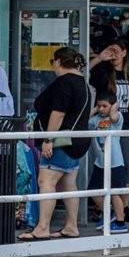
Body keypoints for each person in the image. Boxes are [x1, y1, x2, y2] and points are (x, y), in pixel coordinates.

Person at [24, 46, 91, 240]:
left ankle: (43, 227)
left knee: (46, 181)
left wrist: (48, 139)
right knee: (69, 184)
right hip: (77, 141)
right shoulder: (82, 83)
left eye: (53, 62)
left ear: (59, 61)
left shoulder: (64, 83)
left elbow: (58, 113)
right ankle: (71, 226)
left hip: (62, 141)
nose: (53, 66)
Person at [88, 90, 129, 233]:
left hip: (115, 162)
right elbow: (84, 120)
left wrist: (114, 107)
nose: (101, 109)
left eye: (104, 106)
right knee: (93, 191)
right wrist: (94, 109)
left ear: (113, 106)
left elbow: (113, 117)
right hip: (100, 162)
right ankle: (109, 213)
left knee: (115, 192)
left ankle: (120, 222)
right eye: (99, 106)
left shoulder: (117, 118)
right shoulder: (95, 120)